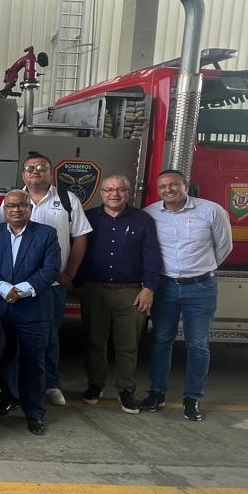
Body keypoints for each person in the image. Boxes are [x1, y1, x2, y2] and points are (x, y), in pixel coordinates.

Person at [0, 152, 92, 407]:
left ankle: (50, 383)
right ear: (23, 174)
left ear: (50, 172)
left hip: (50, 285)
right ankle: (12, 385)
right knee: (11, 337)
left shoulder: (67, 200)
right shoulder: (13, 199)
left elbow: (80, 237)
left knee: (48, 336)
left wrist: (69, 273)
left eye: (41, 167)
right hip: (14, 286)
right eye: (30, 168)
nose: (35, 172)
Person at [142, 169, 233, 421]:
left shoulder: (212, 211)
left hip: (201, 287)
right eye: (163, 186)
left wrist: (201, 269)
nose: (168, 190)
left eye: (173, 185)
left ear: (185, 185)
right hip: (165, 286)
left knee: (198, 344)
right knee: (161, 340)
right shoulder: (150, 214)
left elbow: (224, 246)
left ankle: (193, 398)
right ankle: (157, 393)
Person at [0, 190, 61, 436]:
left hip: (33, 310)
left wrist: (20, 291)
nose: (16, 210)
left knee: (32, 361)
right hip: (0, 308)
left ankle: (34, 412)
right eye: (11, 206)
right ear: (4, 209)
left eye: (22, 205)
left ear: (30, 208)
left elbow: (51, 269)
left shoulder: (46, 234)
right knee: (2, 357)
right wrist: (5, 289)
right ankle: (9, 397)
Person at [78, 174, 163, 414]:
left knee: (128, 345)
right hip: (95, 290)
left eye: (120, 189)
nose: (114, 194)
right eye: (108, 189)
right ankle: (95, 385)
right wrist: (77, 284)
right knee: (95, 342)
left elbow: (152, 256)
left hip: (132, 292)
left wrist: (149, 288)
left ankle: (126, 390)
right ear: (101, 193)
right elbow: (78, 250)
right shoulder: (88, 218)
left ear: (129, 193)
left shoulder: (143, 220)